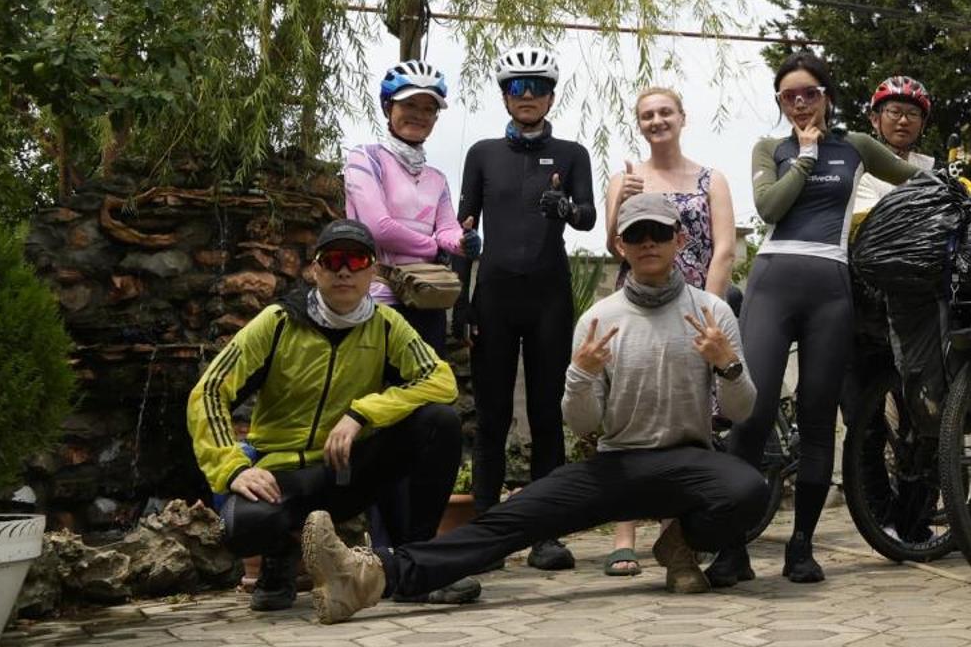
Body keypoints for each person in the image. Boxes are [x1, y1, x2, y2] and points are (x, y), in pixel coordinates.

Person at [299, 193, 770, 623]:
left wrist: (727, 366)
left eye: (659, 233)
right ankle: (367, 576)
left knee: (748, 489)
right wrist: (582, 373)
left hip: (687, 464)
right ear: (620, 246)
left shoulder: (712, 312)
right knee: (505, 523)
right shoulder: (600, 319)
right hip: (616, 466)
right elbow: (583, 423)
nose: (649, 243)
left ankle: (682, 542)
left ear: (679, 239)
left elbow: (742, 411)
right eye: (635, 235)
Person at [711, 52, 926, 588]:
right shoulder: (773, 148)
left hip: (831, 285)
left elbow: (912, 178)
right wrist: (804, 158)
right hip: (773, 281)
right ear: (780, 103)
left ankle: (801, 546)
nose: (800, 103)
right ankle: (732, 547)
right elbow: (769, 208)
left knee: (816, 417)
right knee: (752, 415)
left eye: (810, 92)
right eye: (789, 96)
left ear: (828, 94)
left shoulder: (854, 147)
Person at [187, 219, 475, 612]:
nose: (344, 270)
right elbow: (209, 391)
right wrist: (234, 469)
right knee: (244, 526)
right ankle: (279, 559)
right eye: (333, 259)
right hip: (281, 475)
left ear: (372, 271)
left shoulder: (387, 325)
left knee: (439, 422)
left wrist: (362, 413)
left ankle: (418, 564)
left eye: (356, 260)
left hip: (348, 470)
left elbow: (440, 380)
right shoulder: (278, 323)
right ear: (315, 270)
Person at [457, 45, 597, 570]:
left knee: (545, 415)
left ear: (551, 95)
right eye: (517, 87)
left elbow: (586, 218)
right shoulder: (482, 154)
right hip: (493, 296)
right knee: (490, 416)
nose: (528, 95)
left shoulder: (572, 154)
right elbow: (461, 230)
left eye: (537, 86)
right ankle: (488, 533)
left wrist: (565, 206)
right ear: (504, 96)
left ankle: (546, 534)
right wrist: (461, 304)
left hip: (549, 298)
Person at [599, 85, 738, 577]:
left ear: (683, 117)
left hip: (694, 306)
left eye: (664, 112)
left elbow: (724, 248)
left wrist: (710, 309)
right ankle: (623, 535)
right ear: (639, 124)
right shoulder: (627, 176)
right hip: (638, 304)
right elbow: (615, 242)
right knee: (627, 408)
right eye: (647, 115)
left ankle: (675, 534)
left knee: (688, 414)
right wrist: (623, 203)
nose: (656, 121)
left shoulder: (710, 178)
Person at [846, 76, 938, 545]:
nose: (902, 120)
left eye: (912, 113)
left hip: (917, 305)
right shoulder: (854, 165)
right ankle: (879, 513)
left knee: (923, 416)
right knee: (865, 419)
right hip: (861, 303)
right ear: (874, 118)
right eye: (893, 112)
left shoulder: (934, 169)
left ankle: (918, 518)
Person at [343, 60, 474, 354]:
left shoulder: (436, 178)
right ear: (388, 107)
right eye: (409, 104)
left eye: (429, 109)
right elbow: (378, 228)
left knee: (426, 393)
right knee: (373, 395)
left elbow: (447, 229)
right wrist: (434, 248)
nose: (419, 115)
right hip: (376, 298)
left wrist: (463, 243)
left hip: (426, 298)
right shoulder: (365, 158)